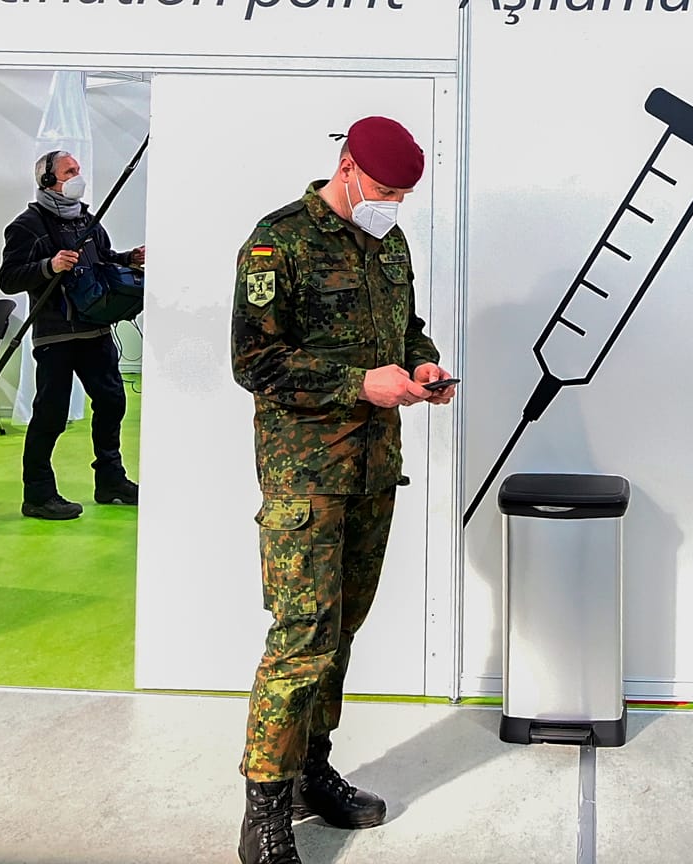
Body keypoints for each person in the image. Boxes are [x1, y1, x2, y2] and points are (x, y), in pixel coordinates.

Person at [229, 116, 458, 864]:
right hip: (306, 475)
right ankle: (264, 807)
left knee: (342, 632)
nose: (392, 203)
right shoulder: (278, 242)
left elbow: (407, 329)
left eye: (402, 195)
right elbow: (255, 362)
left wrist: (420, 367)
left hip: (371, 468)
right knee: (300, 637)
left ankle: (309, 773)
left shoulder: (387, 241)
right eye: (385, 189)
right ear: (348, 166)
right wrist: (358, 382)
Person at [0, 150, 144, 519]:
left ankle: (111, 480)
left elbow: (103, 258)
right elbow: (8, 278)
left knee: (112, 402)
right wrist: (50, 265)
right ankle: (38, 493)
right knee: (51, 414)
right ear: (48, 180)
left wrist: (128, 259)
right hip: (56, 336)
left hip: (95, 329)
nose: (78, 176)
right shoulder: (27, 225)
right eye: (70, 171)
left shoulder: (88, 221)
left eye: (78, 169)